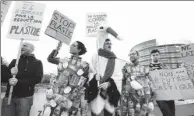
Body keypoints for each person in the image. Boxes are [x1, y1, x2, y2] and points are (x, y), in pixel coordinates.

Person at [45, 41, 89, 116]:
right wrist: (57, 48)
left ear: (79, 50)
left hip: (71, 96)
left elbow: (83, 81)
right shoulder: (64, 60)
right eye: (71, 45)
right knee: (52, 112)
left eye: (74, 45)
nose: (71, 46)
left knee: (66, 113)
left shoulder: (84, 65)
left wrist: (75, 94)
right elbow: (50, 59)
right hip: (57, 92)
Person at [1, 42, 43, 116]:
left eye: (25, 46)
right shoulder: (14, 61)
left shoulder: (37, 63)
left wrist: (19, 82)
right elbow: (4, 77)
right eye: (21, 46)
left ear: (32, 49)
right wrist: (10, 74)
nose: (21, 47)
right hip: (9, 96)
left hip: (25, 98)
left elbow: (37, 79)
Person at [88, 38, 120, 116]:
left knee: (108, 113)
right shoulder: (95, 56)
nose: (109, 45)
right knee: (95, 113)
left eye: (110, 43)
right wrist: (94, 77)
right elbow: (90, 70)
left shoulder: (114, 59)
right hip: (97, 90)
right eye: (107, 43)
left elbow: (118, 75)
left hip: (109, 91)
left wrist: (109, 83)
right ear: (102, 44)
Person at [121, 49, 155, 116]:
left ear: (138, 56)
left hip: (142, 99)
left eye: (133, 54)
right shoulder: (126, 68)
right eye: (130, 54)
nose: (131, 56)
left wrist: (151, 99)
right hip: (130, 99)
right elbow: (123, 83)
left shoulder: (144, 68)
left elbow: (149, 83)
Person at [149, 49, 175, 116]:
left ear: (159, 56)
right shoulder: (148, 68)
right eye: (153, 55)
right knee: (167, 113)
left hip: (169, 92)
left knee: (172, 112)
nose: (155, 56)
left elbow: (171, 78)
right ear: (151, 57)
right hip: (159, 93)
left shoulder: (165, 66)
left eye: (157, 55)